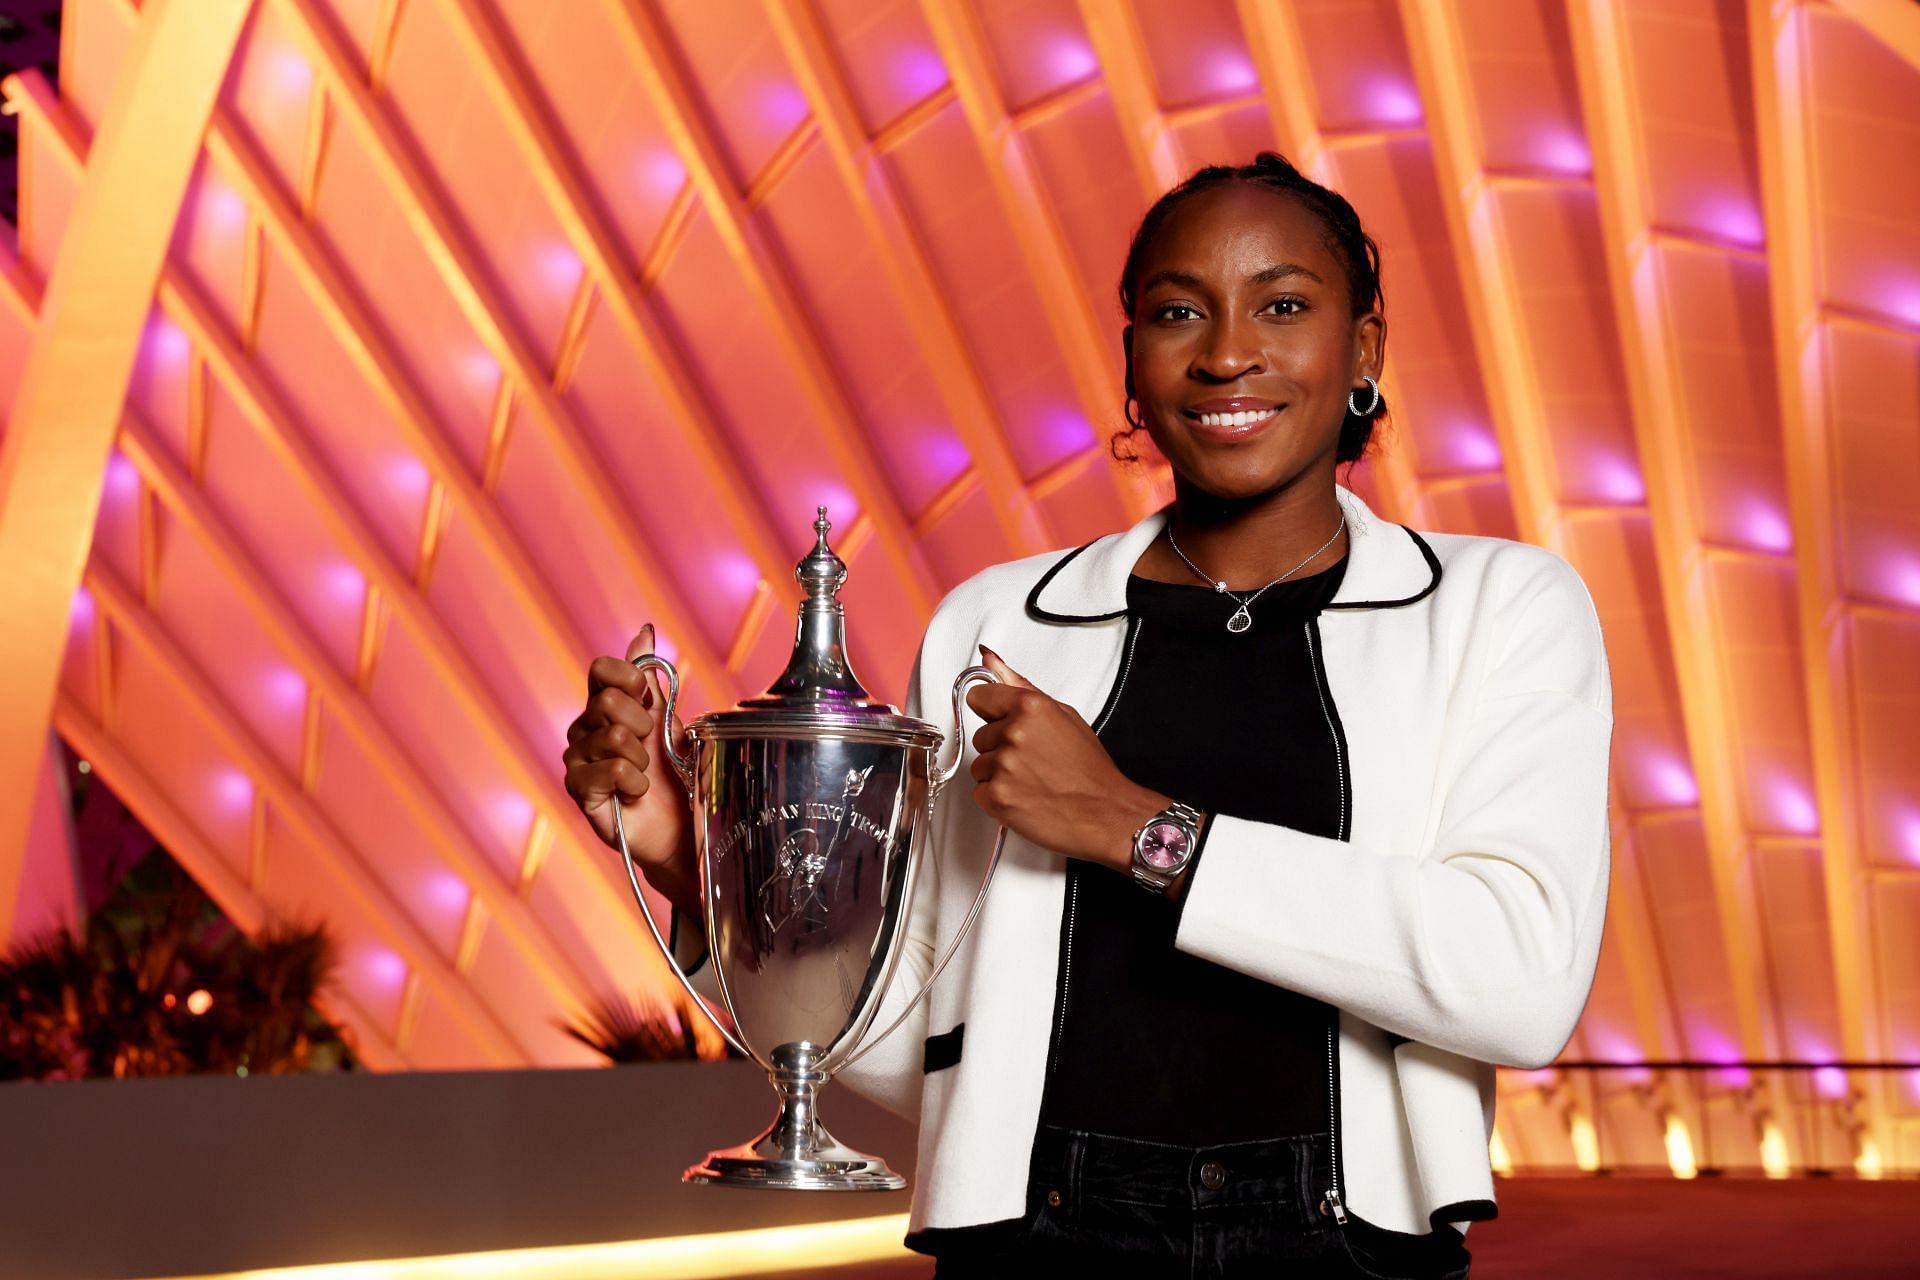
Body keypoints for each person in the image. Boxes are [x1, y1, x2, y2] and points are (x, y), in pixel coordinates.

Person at [561, 152, 1612, 1279]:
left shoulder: (1500, 605)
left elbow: (1520, 978)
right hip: (1043, 1233)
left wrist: (1133, 826)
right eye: (1177, 311)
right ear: (1132, 359)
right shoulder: (995, 621)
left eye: (1284, 304)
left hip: (1341, 1241)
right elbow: (911, 1028)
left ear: (1365, 349)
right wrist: (692, 859)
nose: (1225, 351)